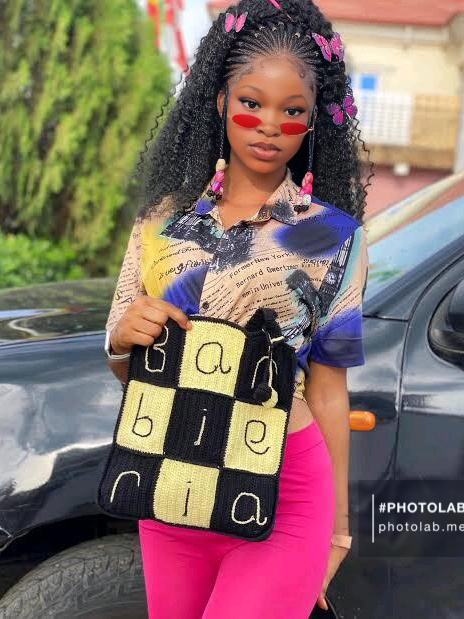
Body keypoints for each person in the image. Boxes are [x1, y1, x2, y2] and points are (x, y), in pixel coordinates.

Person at [104, 0, 373, 616]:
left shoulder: (334, 237)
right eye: (252, 102)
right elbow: (126, 365)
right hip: (172, 482)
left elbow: (329, 390)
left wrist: (337, 530)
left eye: (292, 111)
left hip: (286, 495)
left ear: (312, 122)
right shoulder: (162, 222)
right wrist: (122, 338)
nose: (270, 124)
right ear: (222, 101)